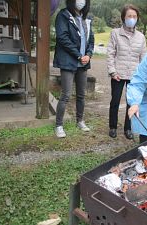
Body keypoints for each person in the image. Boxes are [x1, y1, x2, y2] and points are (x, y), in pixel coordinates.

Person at [53, 0, 94, 138]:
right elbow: (62, 38)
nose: (81, 1)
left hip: (83, 63)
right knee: (66, 95)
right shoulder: (63, 15)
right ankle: (59, 125)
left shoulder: (86, 19)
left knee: (81, 95)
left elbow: (91, 40)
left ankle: (80, 121)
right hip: (68, 62)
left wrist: (88, 55)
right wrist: (78, 56)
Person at [107, 4, 147, 139]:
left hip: (134, 76)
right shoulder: (115, 33)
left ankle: (128, 128)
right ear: (123, 17)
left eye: (134, 16)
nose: (132, 18)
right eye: (129, 16)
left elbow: (144, 59)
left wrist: (142, 76)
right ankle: (112, 127)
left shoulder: (141, 37)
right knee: (115, 101)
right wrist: (112, 71)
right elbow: (110, 54)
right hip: (118, 74)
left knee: (132, 103)